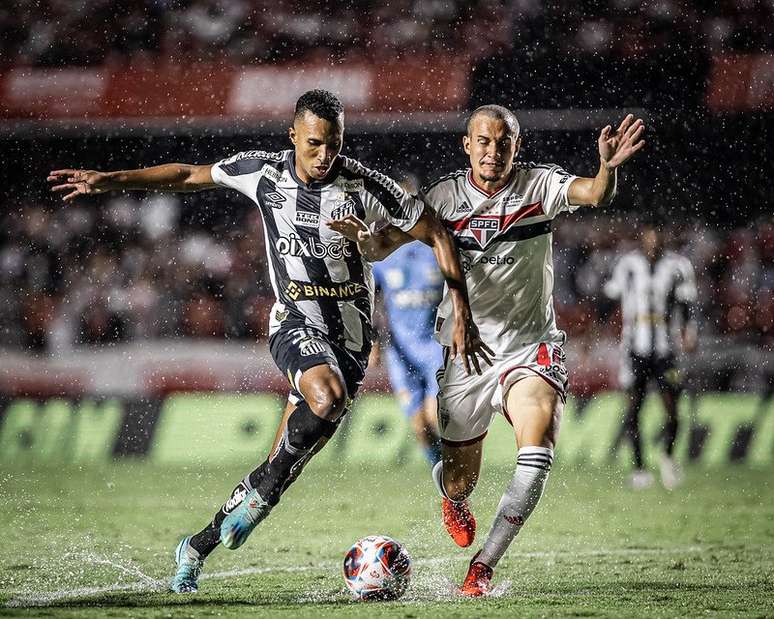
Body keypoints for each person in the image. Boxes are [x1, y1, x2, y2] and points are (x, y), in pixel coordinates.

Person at [47, 89, 491, 594]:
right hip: (294, 325)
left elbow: (437, 231)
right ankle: (252, 501)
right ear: (293, 137)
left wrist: (458, 305)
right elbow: (190, 174)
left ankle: (196, 546)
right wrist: (112, 181)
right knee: (326, 398)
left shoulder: (366, 185)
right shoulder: (263, 173)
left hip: (349, 343)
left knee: (283, 467)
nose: (326, 157)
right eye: (315, 145)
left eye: (334, 145)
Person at [335, 105, 646, 596]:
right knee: (459, 482)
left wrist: (607, 167)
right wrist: (364, 240)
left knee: (537, 442)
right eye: (483, 141)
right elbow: (384, 245)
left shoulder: (539, 187)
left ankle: (483, 566)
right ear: (467, 145)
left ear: (516, 147)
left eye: (503, 142)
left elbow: (592, 192)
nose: (493, 151)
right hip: (467, 351)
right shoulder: (441, 196)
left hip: (530, 346)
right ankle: (454, 500)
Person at [604, 223, 698, 490]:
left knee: (673, 409)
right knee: (634, 408)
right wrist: (594, 330)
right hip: (635, 348)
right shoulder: (628, 264)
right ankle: (639, 469)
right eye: (649, 236)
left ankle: (667, 456)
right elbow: (610, 298)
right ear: (642, 238)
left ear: (665, 238)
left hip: (667, 349)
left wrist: (689, 332)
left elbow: (687, 303)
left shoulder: (679, 266)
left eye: (658, 236)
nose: (653, 242)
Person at [372, 238, 445, 466]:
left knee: (436, 420)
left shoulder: (437, 248)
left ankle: (454, 480)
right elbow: (369, 300)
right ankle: (443, 479)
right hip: (400, 354)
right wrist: (373, 342)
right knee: (420, 426)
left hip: (437, 350)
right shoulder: (383, 254)